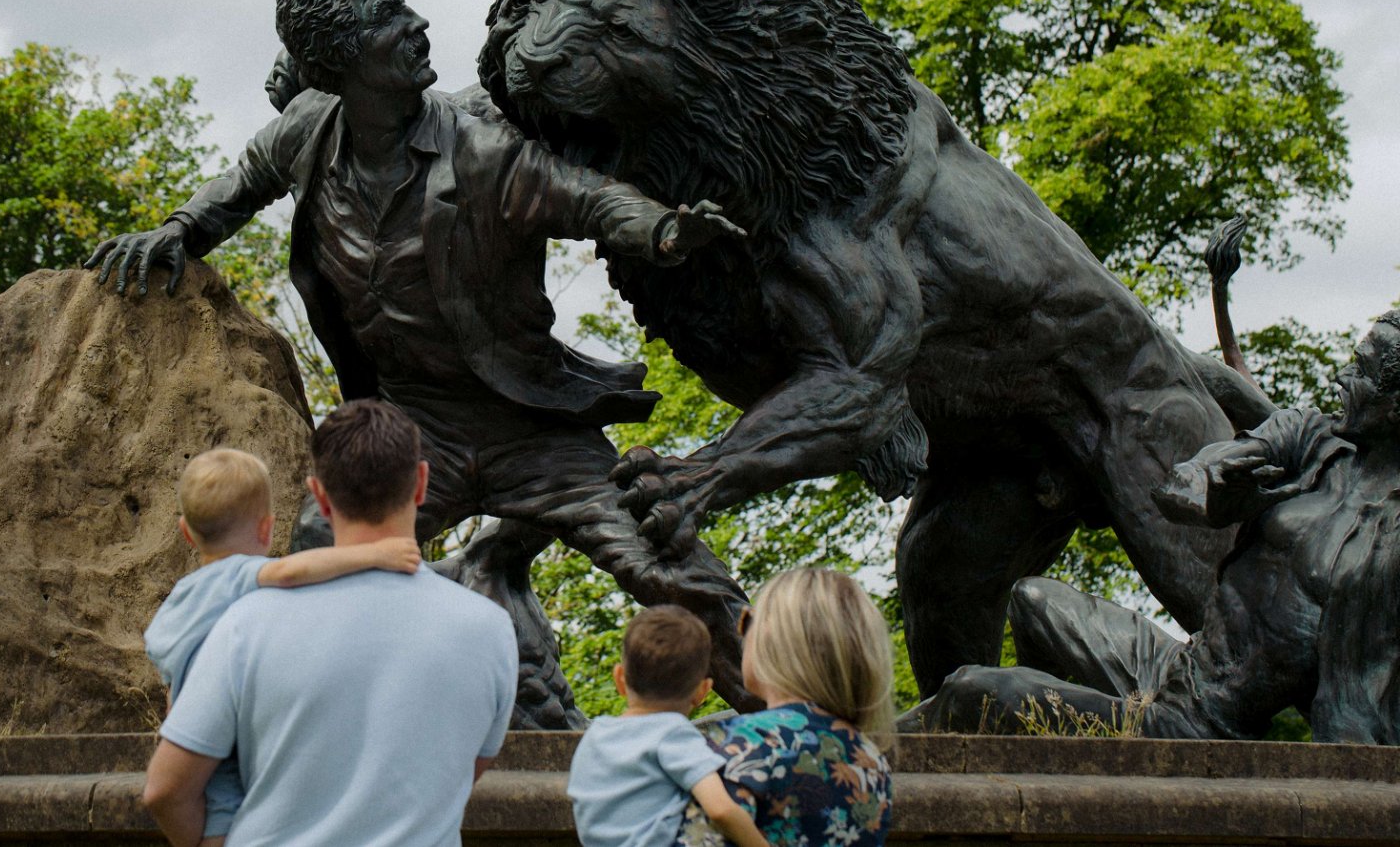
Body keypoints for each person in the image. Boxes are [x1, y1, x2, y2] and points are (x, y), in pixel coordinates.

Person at [86, 0, 755, 725]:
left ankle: (795, 715)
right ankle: (301, 739)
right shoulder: (308, 130)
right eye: (390, 13)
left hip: (528, 430)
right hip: (411, 432)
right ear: (342, 57)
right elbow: (239, 187)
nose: (419, 22)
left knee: (663, 565)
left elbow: (588, 197)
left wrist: (667, 234)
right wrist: (176, 230)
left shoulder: (482, 149)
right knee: (313, 561)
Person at [903, 308, 1400, 743]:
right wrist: (1215, 481)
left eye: (1363, 371)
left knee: (975, 694)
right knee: (1032, 599)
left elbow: (1360, 708)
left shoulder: (1389, 540)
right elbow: (1185, 484)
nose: (1342, 376)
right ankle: (1069, 770)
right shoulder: (1313, 438)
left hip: (1198, 725)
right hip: (1174, 668)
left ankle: (850, 764)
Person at [142, 399, 518, 847]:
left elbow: (166, 790)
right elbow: (463, 772)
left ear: (318, 497)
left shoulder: (246, 623)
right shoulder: (491, 629)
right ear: (420, 483)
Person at [142, 447, 421, 846]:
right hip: (229, 744)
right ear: (267, 529)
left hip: (191, 732)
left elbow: (171, 676)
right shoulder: (238, 575)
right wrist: (377, 553)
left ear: (186, 532)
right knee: (228, 805)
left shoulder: (180, 599)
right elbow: (291, 571)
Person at [677, 569, 894, 847]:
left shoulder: (740, 741)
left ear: (775, 637)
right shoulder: (872, 761)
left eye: (747, 621)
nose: (741, 634)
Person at [568, 606, 771, 847]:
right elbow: (720, 810)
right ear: (702, 691)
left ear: (620, 678)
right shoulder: (673, 734)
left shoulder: (596, 735)